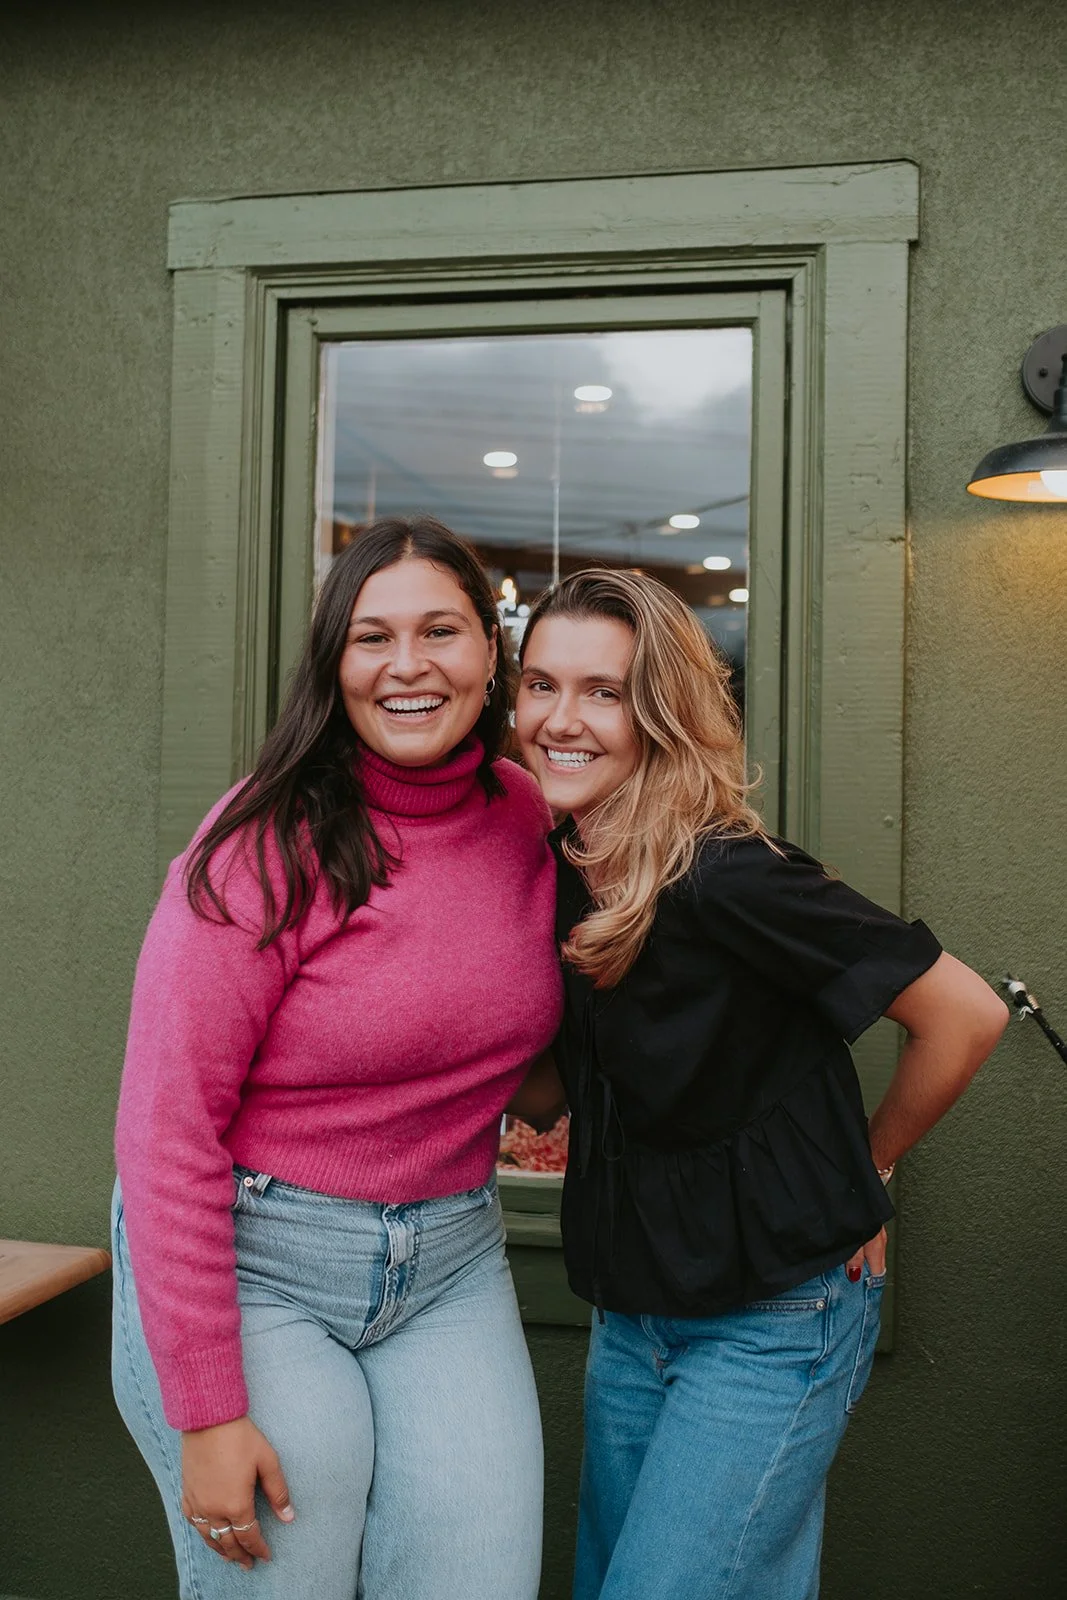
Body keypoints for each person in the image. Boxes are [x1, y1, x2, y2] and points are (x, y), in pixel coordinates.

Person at [513, 568, 1008, 1600]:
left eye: (601, 691)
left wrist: (864, 1164)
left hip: (773, 1314)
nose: (560, 720)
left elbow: (964, 1013)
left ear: (658, 712)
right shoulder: (557, 860)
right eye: (539, 685)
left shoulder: (726, 872)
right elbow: (577, 1080)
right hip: (631, 1306)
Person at [112, 516, 563, 1598]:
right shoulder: (262, 843)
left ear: (488, 652)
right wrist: (209, 1409)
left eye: (440, 630)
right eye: (372, 637)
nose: (406, 666)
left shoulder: (525, 813)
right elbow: (164, 1129)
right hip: (258, 1257)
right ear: (333, 661)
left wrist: (828, 1176)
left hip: (450, 1259)